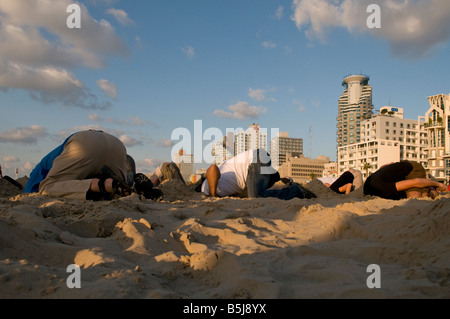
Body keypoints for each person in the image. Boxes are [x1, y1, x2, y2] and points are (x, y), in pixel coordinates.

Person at [24, 130, 133, 200]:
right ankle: (136, 187)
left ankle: (103, 184)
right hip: (116, 144)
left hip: (85, 145)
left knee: (47, 187)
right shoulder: (57, 157)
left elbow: (32, 193)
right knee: (120, 193)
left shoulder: (39, 169)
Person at [201, 149, 306, 200]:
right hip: (255, 164)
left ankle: (296, 190)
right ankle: (274, 176)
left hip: (255, 159)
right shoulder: (226, 190)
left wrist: (213, 195)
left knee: (255, 197)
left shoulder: (206, 187)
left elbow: (212, 168)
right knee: (254, 191)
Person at [363, 160, 446, 200]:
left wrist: (437, 184)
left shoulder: (383, 187)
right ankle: (427, 183)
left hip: (413, 168)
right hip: (398, 170)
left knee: (416, 199)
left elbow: (416, 182)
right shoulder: (368, 187)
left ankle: (431, 188)